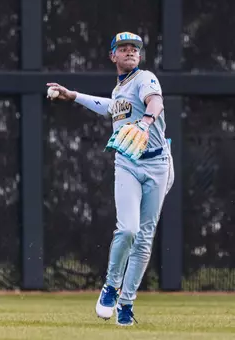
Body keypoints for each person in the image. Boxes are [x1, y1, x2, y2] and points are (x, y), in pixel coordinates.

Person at [45, 31, 174, 326]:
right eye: (123, 48)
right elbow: (110, 107)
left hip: (157, 164)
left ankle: (126, 304)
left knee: (144, 238)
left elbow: (155, 102)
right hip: (127, 162)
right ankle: (111, 287)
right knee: (127, 229)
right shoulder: (119, 90)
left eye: (135, 49)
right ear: (112, 56)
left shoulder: (145, 79)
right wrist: (73, 95)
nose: (130, 52)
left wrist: (145, 121)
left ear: (139, 56)